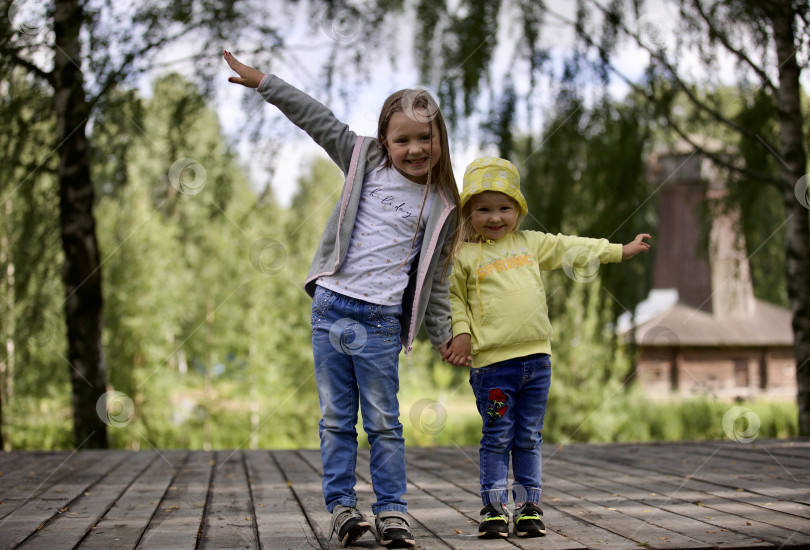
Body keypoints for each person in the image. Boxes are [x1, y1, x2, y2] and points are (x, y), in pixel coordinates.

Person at [224, 51, 460, 548]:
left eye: (425, 138)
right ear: (385, 141)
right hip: (332, 307)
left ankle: (393, 511)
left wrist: (444, 334)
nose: (415, 149)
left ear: (440, 139)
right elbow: (317, 119)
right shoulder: (363, 160)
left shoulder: (443, 207)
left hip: (379, 323)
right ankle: (343, 509)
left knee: (384, 422)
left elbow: (436, 281)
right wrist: (266, 82)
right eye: (403, 139)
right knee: (336, 420)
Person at [442, 157, 651, 539]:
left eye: (504, 208)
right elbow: (455, 301)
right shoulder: (464, 256)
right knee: (497, 436)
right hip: (493, 370)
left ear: (518, 210)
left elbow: (573, 248)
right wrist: (461, 333)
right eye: (483, 209)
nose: (495, 217)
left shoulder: (532, 244)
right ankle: (492, 507)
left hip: (537, 364)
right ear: (468, 212)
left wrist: (619, 250)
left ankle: (528, 507)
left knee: (528, 436)